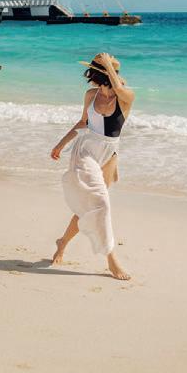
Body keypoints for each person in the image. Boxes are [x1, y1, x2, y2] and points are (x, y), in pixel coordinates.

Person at [49, 52, 134, 280]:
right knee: (102, 204)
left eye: (93, 72)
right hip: (86, 150)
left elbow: (119, 87)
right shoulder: (90, 95)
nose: (89, 77)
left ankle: (62, 242)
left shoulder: (125, 97)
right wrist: (61, 143)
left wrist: (108, 66)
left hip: (109, 154)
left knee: (89, 207)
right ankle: (112, 260)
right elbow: (83, 123)